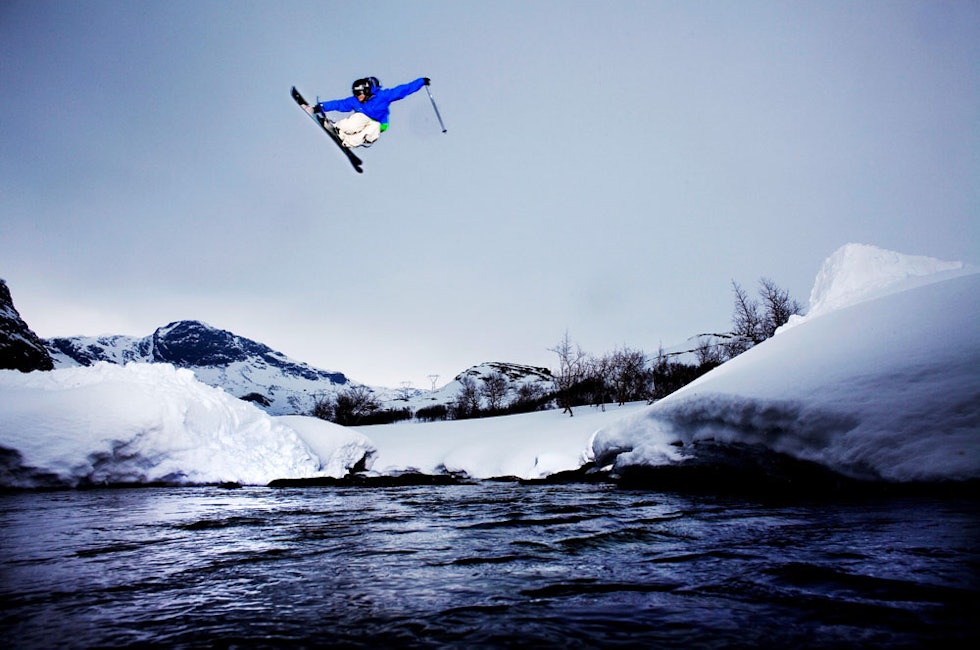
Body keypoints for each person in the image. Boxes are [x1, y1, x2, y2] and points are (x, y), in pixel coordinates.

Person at [302, 76, 430, 148]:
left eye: (360, 94)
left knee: (373, 128)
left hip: (379, 122)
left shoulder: (383, 96)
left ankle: (348, 141)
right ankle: (338, 129)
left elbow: (403, 90)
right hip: (362, 119)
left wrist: (421, 82)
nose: (358, 97)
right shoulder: (355, 101)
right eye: (356, 94)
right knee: (358, 118)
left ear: (367, 91)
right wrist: (319, 107)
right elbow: (339, 104)